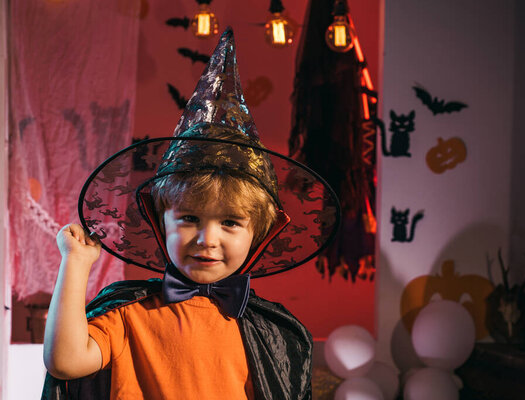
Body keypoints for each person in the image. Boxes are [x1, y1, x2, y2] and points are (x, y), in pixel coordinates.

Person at [41, 28, 340, 400]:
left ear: (259, 234)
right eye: (189, 219)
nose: (207, 239)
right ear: (159, 220)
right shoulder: (128, 316)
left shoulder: (272, 333)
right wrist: (75, 263)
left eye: (230, 222)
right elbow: (66, 363)